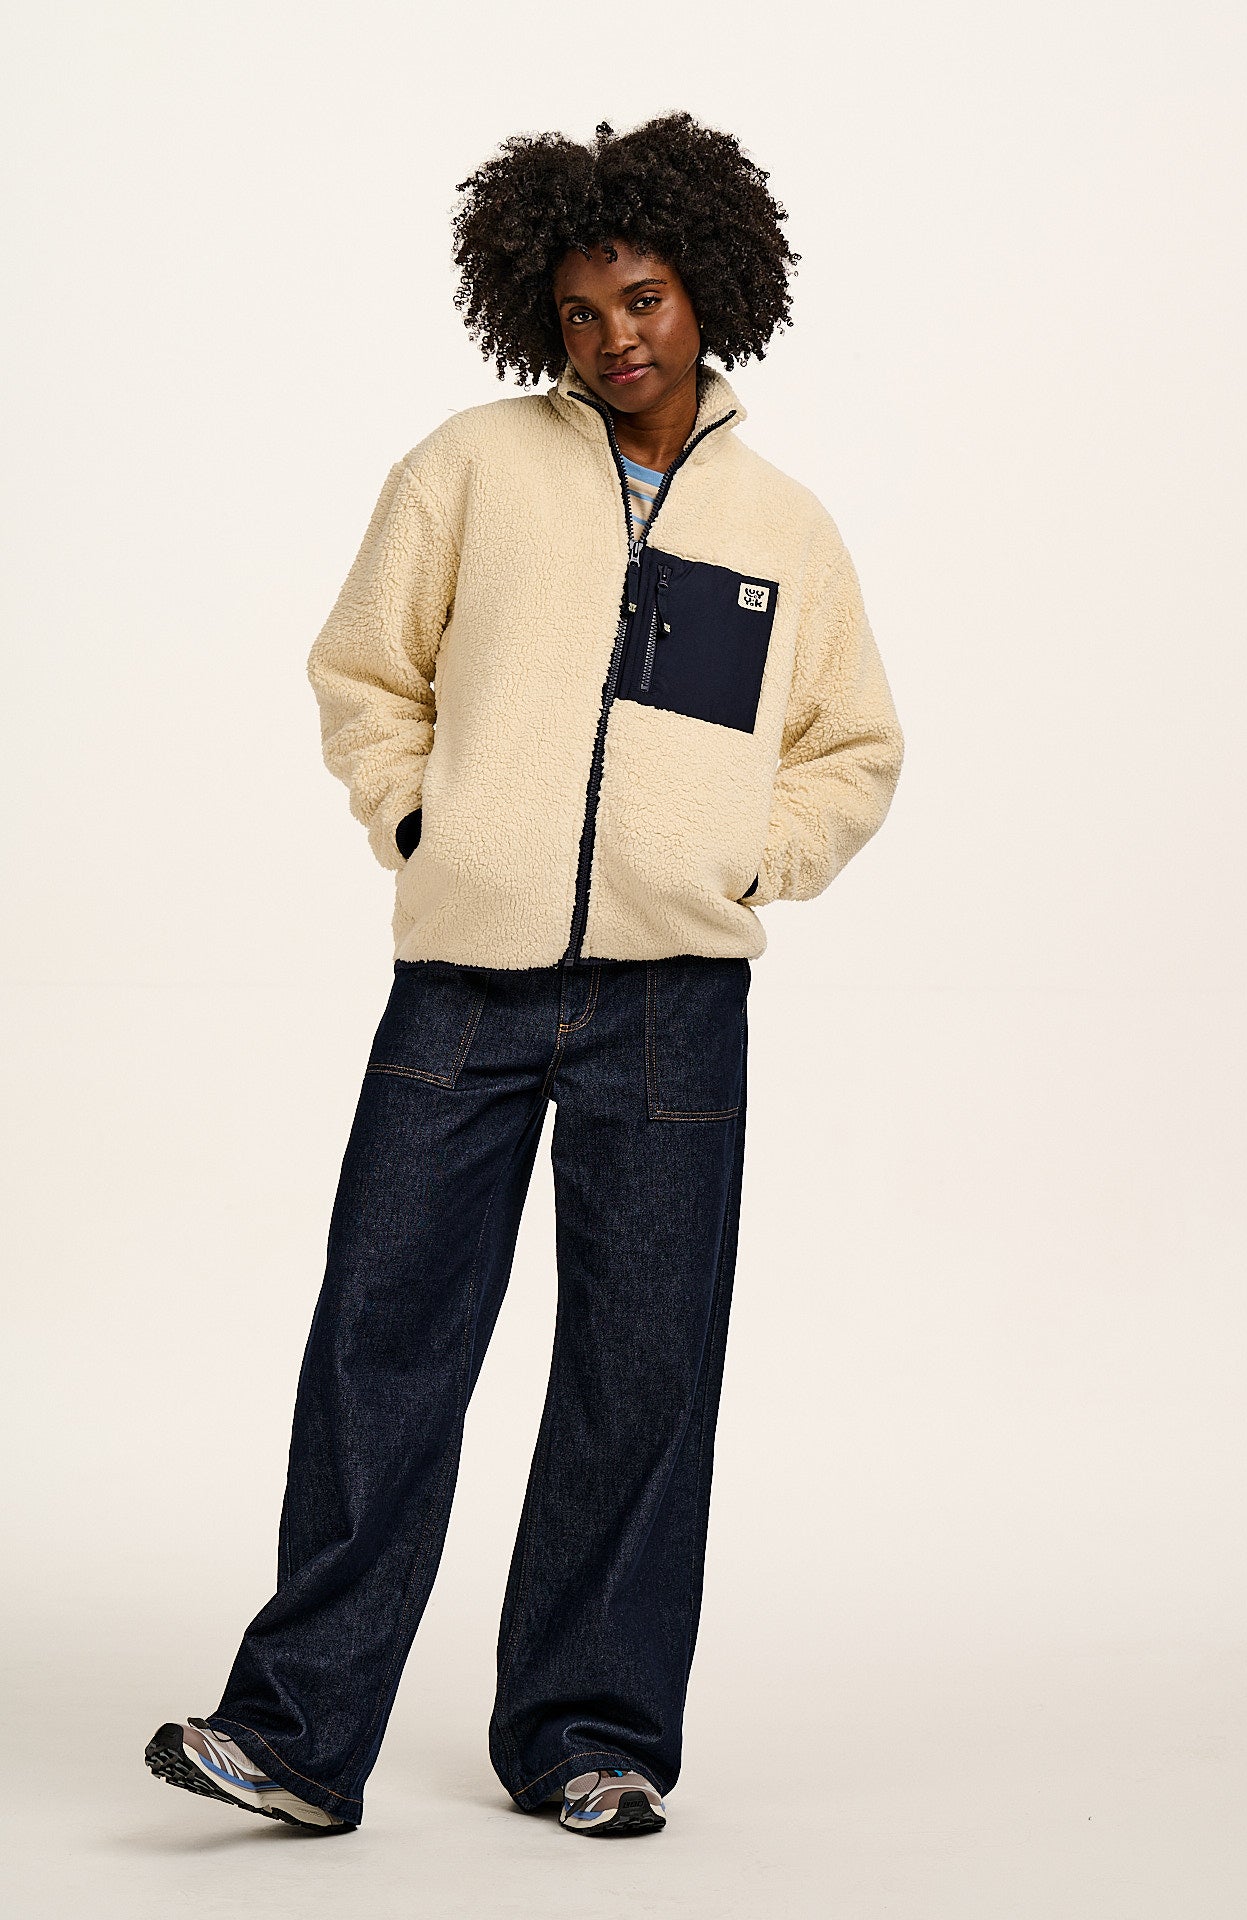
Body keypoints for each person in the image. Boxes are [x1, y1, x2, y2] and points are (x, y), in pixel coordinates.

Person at [145, 110, 905, 1840]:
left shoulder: (786, 528)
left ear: (706, 290)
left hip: (672, 1001)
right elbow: (365, 672)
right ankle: (296, 1734)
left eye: (643, 298)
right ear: (536, 317)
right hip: (464, 986)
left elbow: (852, 746)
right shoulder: (469, 469)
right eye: (578, 310)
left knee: (641, 1376)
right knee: (380, 1344)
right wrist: (421, 822)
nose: (615, 336)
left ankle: (587, 1733)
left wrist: (747, 862)